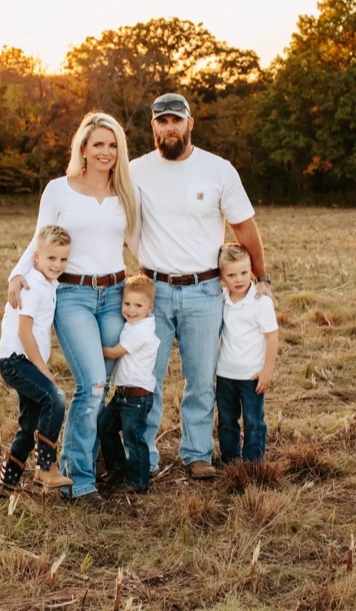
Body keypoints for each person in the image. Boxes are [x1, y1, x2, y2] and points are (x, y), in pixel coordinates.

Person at [130, 93, 272, 480]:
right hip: (154, 290)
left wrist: (261, 277)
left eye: (177, 119)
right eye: (162, 121)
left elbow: (244, 228)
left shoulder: (218, 170)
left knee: (201, 379)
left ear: (190, 123)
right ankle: (144, 458)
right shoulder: (135, 171)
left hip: (205, 290)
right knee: (147, 377)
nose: (170, 127)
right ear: (153, 126)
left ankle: (196, 454)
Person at [7, 111, 140, 504]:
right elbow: (40, 240)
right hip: (74, 297)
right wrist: (17, 274)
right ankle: (79, 479)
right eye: (98, 143)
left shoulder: (126, 193)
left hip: (116, 293)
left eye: (113, 144)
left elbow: (142, 245)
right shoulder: (58, 190)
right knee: (93, 383)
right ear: (82, 147)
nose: (106, 151)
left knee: (111, 379)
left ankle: (94, 454)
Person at [0, 225, 74, 493]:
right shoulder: (32, 285)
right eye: (51, 258)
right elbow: (24, 331)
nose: (58, 264)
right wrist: (44, 370)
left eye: (63, 259)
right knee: (55, 398)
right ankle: (46, 468)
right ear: (36, 257)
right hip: (15, 360)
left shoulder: (48, 283)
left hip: (23, 360)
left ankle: (8, 481)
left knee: (29, 424)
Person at [215, 242, 280, 464]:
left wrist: (267, 370)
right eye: (231, 275)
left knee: (253, 420)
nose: (239, 279)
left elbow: (272, 337)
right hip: (225, 373)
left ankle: (253, 463)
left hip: (252, 375)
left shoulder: (260, 302)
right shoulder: (221, 299)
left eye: (244, 272)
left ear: (251, 269)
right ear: (222, 277)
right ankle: (230, 461)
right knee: (227, 420)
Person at [98, 275, 161, 493]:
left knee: (134, 438)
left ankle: (138, 482)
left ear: (150, 307)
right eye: (127, 304)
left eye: (138, 305)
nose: (131, 310)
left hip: (137, 396)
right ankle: (118, 468)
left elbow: (115, 352)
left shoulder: (142, 330)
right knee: (105, 426)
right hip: (122, 393)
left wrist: (91, 347)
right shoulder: (133, 324)